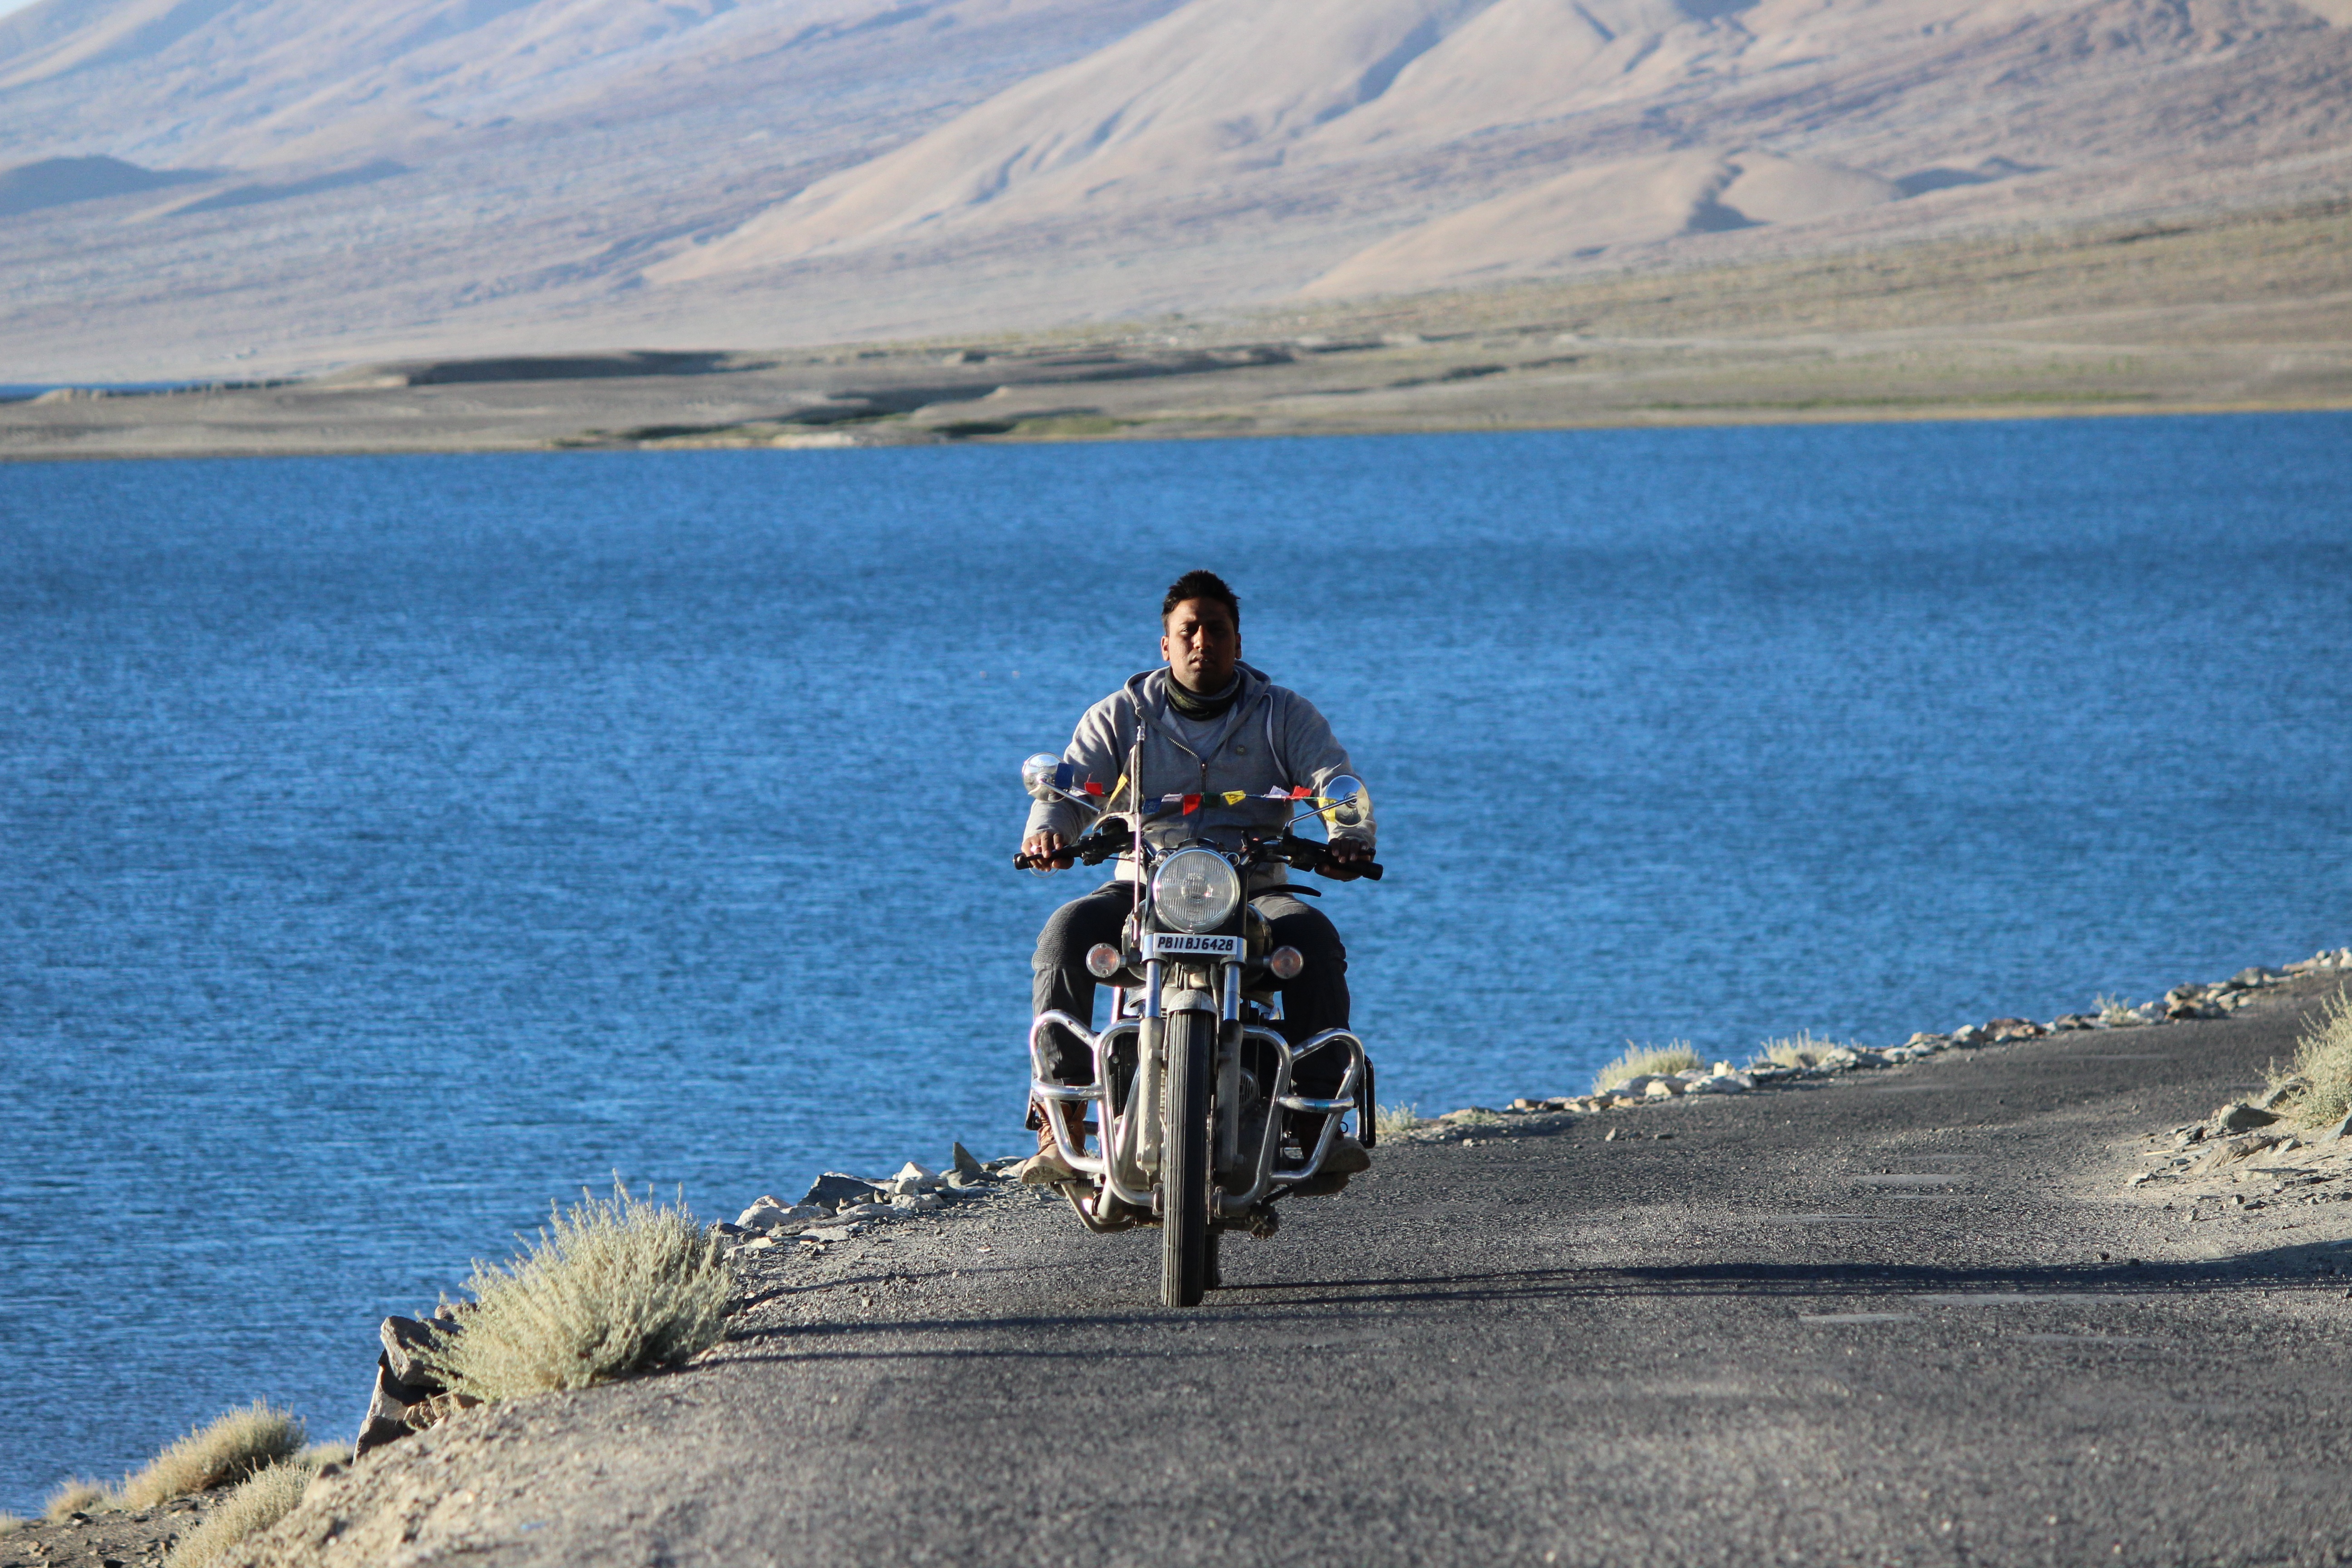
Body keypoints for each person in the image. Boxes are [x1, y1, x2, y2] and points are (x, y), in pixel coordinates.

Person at [1019, 569, 1376, 1188]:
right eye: (1189, 631)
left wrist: (1348, 839)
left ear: (1239, 642)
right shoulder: (1121, 717)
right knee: (1065, 933)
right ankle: (1062, 1118)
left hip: (1257, 889)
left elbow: (1334, 781)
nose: (1202, 642)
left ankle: (1319, 1120)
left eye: (1216, 630)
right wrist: (1049, 830)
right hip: (1141, 885)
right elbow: (1071, 789)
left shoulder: (1282, 715)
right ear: (1165, 644)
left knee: (1314, 940)